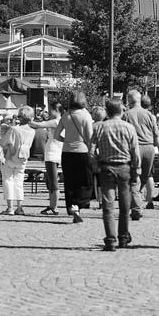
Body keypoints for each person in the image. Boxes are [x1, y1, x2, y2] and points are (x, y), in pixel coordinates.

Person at [89, 99, 140, 251]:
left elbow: (91, 152)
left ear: (107, 111)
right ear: (121, 111)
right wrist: (136, 170)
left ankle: (110, 240)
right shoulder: (129, 128)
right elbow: (135, 152)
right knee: (124, 205)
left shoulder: (100, 127)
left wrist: (96, 164)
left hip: (106, 168)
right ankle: (123, 237)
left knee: (108, 204)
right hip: (124, 167)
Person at [121, 90, 159, 219]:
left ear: (129, 100)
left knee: (134, 179)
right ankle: (137, 203)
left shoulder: (126, 115)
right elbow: (157, 135)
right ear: (140, 100)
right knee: (144, 178)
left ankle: (136, 206)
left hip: (134, 149)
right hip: (149, 149)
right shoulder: (150, 115)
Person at [56, 92, 94, 223]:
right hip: (82, 151)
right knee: (84, 181)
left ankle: (72, 205)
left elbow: (56, 135)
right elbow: (89, 137)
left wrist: (66, 140)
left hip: (66, 152)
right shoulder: (86, 116)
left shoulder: (66, 115)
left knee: (70, 181)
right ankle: (79, 204)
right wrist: (91, 150)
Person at [0, 106, 35, 215]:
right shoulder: (32, 131)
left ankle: (10, 207)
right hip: (23, 158)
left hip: (10, 157)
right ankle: (20, 207)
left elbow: (3, 143)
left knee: (8, 181)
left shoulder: (14, 129)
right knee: (19, 182)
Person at [29, 101, 64, 215]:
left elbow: (39, 125)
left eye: (50, 110)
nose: (48, 112)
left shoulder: (56, 121)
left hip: (53, 152)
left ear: (56, 110)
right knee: (50, 180)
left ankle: (54, 206)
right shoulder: (60, 120)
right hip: (54, 151)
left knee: (53, 180)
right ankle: (52, 205)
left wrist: (28, 120)